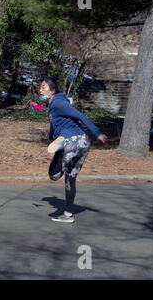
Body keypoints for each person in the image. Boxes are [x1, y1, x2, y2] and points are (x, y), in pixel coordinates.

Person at [40, 77, 107, 223]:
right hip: (83, 143)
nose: (40, 90)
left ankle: (60, 152)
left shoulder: (58, 102)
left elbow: (80, 115)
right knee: (70, 179)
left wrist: (97, 133)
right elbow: (55, 126)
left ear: (52, 91)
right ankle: (68, 214)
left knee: (54, 174)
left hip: (73, 141)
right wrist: (52, 137)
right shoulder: (54, 104)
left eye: (43, 87)